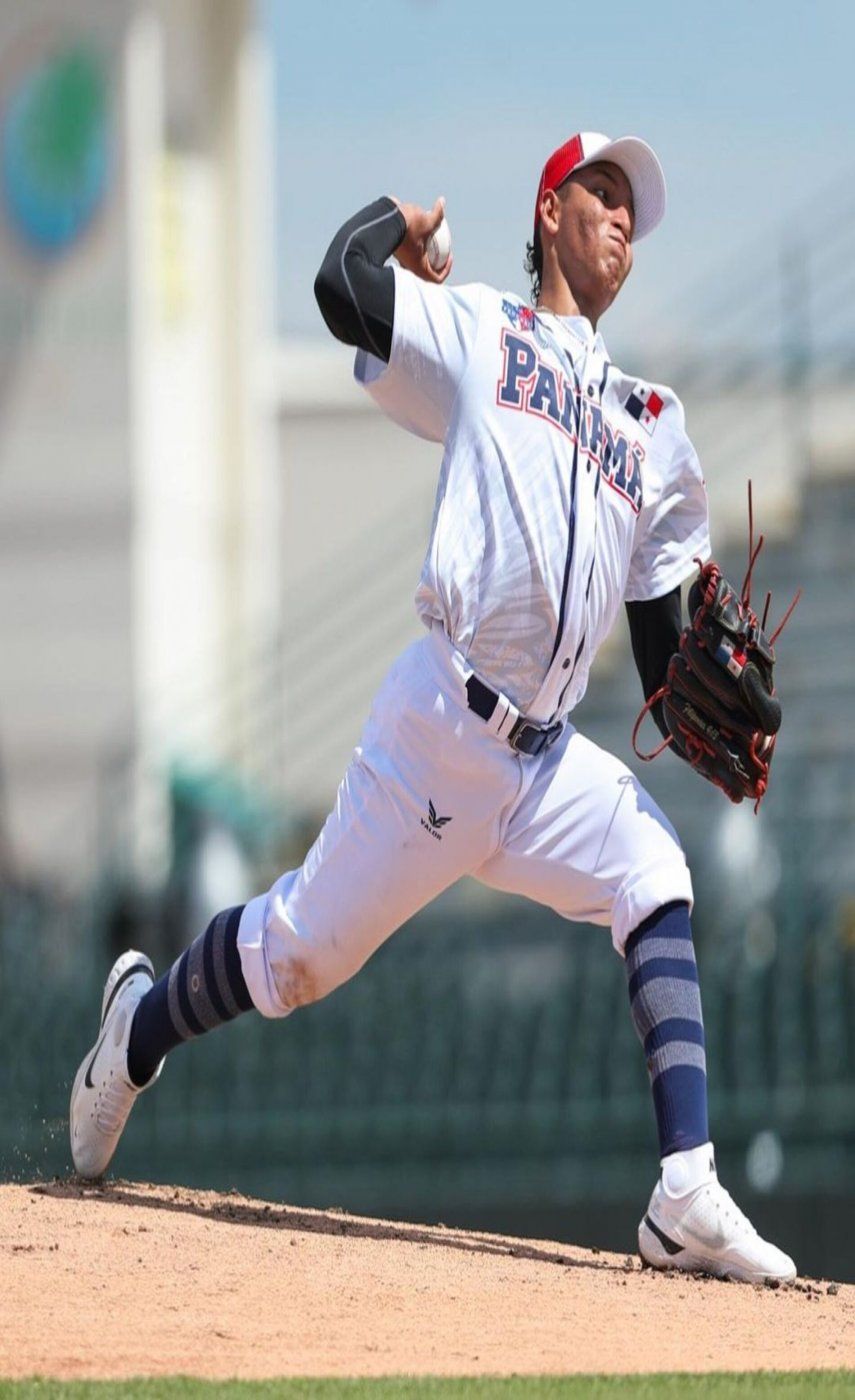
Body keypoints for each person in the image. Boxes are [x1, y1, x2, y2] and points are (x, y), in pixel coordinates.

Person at [70, 130, 796, 1283]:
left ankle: (685, 1191)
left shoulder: (652, 422)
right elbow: (339, 284)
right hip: (442, 729)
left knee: (656, 870)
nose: (623, 217)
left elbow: (663, 652)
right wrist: (394, 222)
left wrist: (711, 704)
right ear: (549, 210)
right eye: (603, 191)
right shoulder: (479, 332)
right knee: (296, 957)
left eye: (635, 208)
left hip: (548, 762)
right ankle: (136, 1030)